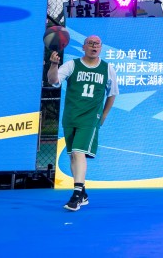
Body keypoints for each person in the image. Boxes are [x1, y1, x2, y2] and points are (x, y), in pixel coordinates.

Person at [47, 35, 118, 211]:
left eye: (97, 44)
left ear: (101, 48)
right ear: (83, 47)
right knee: (73, 155)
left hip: (90, 117)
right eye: (90, 43)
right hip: (71, 116)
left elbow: (112, 93)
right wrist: (54, 65)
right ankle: (83, 193)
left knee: (79, 152)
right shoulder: (72, 65)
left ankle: (76, 195)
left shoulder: (107, 68)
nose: (94, 46)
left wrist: (104, 115)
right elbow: (53, 81)